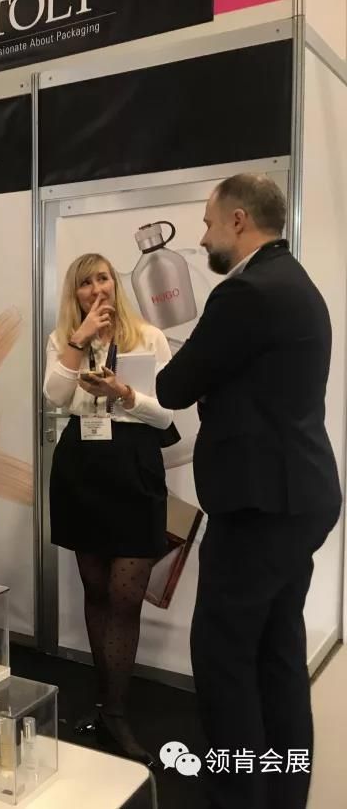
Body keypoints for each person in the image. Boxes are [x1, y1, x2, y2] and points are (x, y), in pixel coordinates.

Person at [156, 174, 341, 809]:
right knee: (277, 650)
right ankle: (283, 795)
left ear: (238, 220)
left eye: (209, 223)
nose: (204, 236)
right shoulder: (297, 283)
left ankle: (236, 797)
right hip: (299, 497)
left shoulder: (245, 292)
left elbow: (174, 385)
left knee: (223, 655)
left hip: (260, 505)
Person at [44, 253, 176, 766]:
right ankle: (105, 704)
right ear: (74, 294)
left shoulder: (148, 337)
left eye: (102, 278)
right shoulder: (64, 340)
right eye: (84, 283)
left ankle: (117, 713)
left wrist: (124, 393)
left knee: (126, 597)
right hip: (83, 466)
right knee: (96, 591)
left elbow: (165, 414)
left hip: (134, 465)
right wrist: (79, 341)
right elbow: (55, 396)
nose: (95, 288)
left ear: (115, 284)